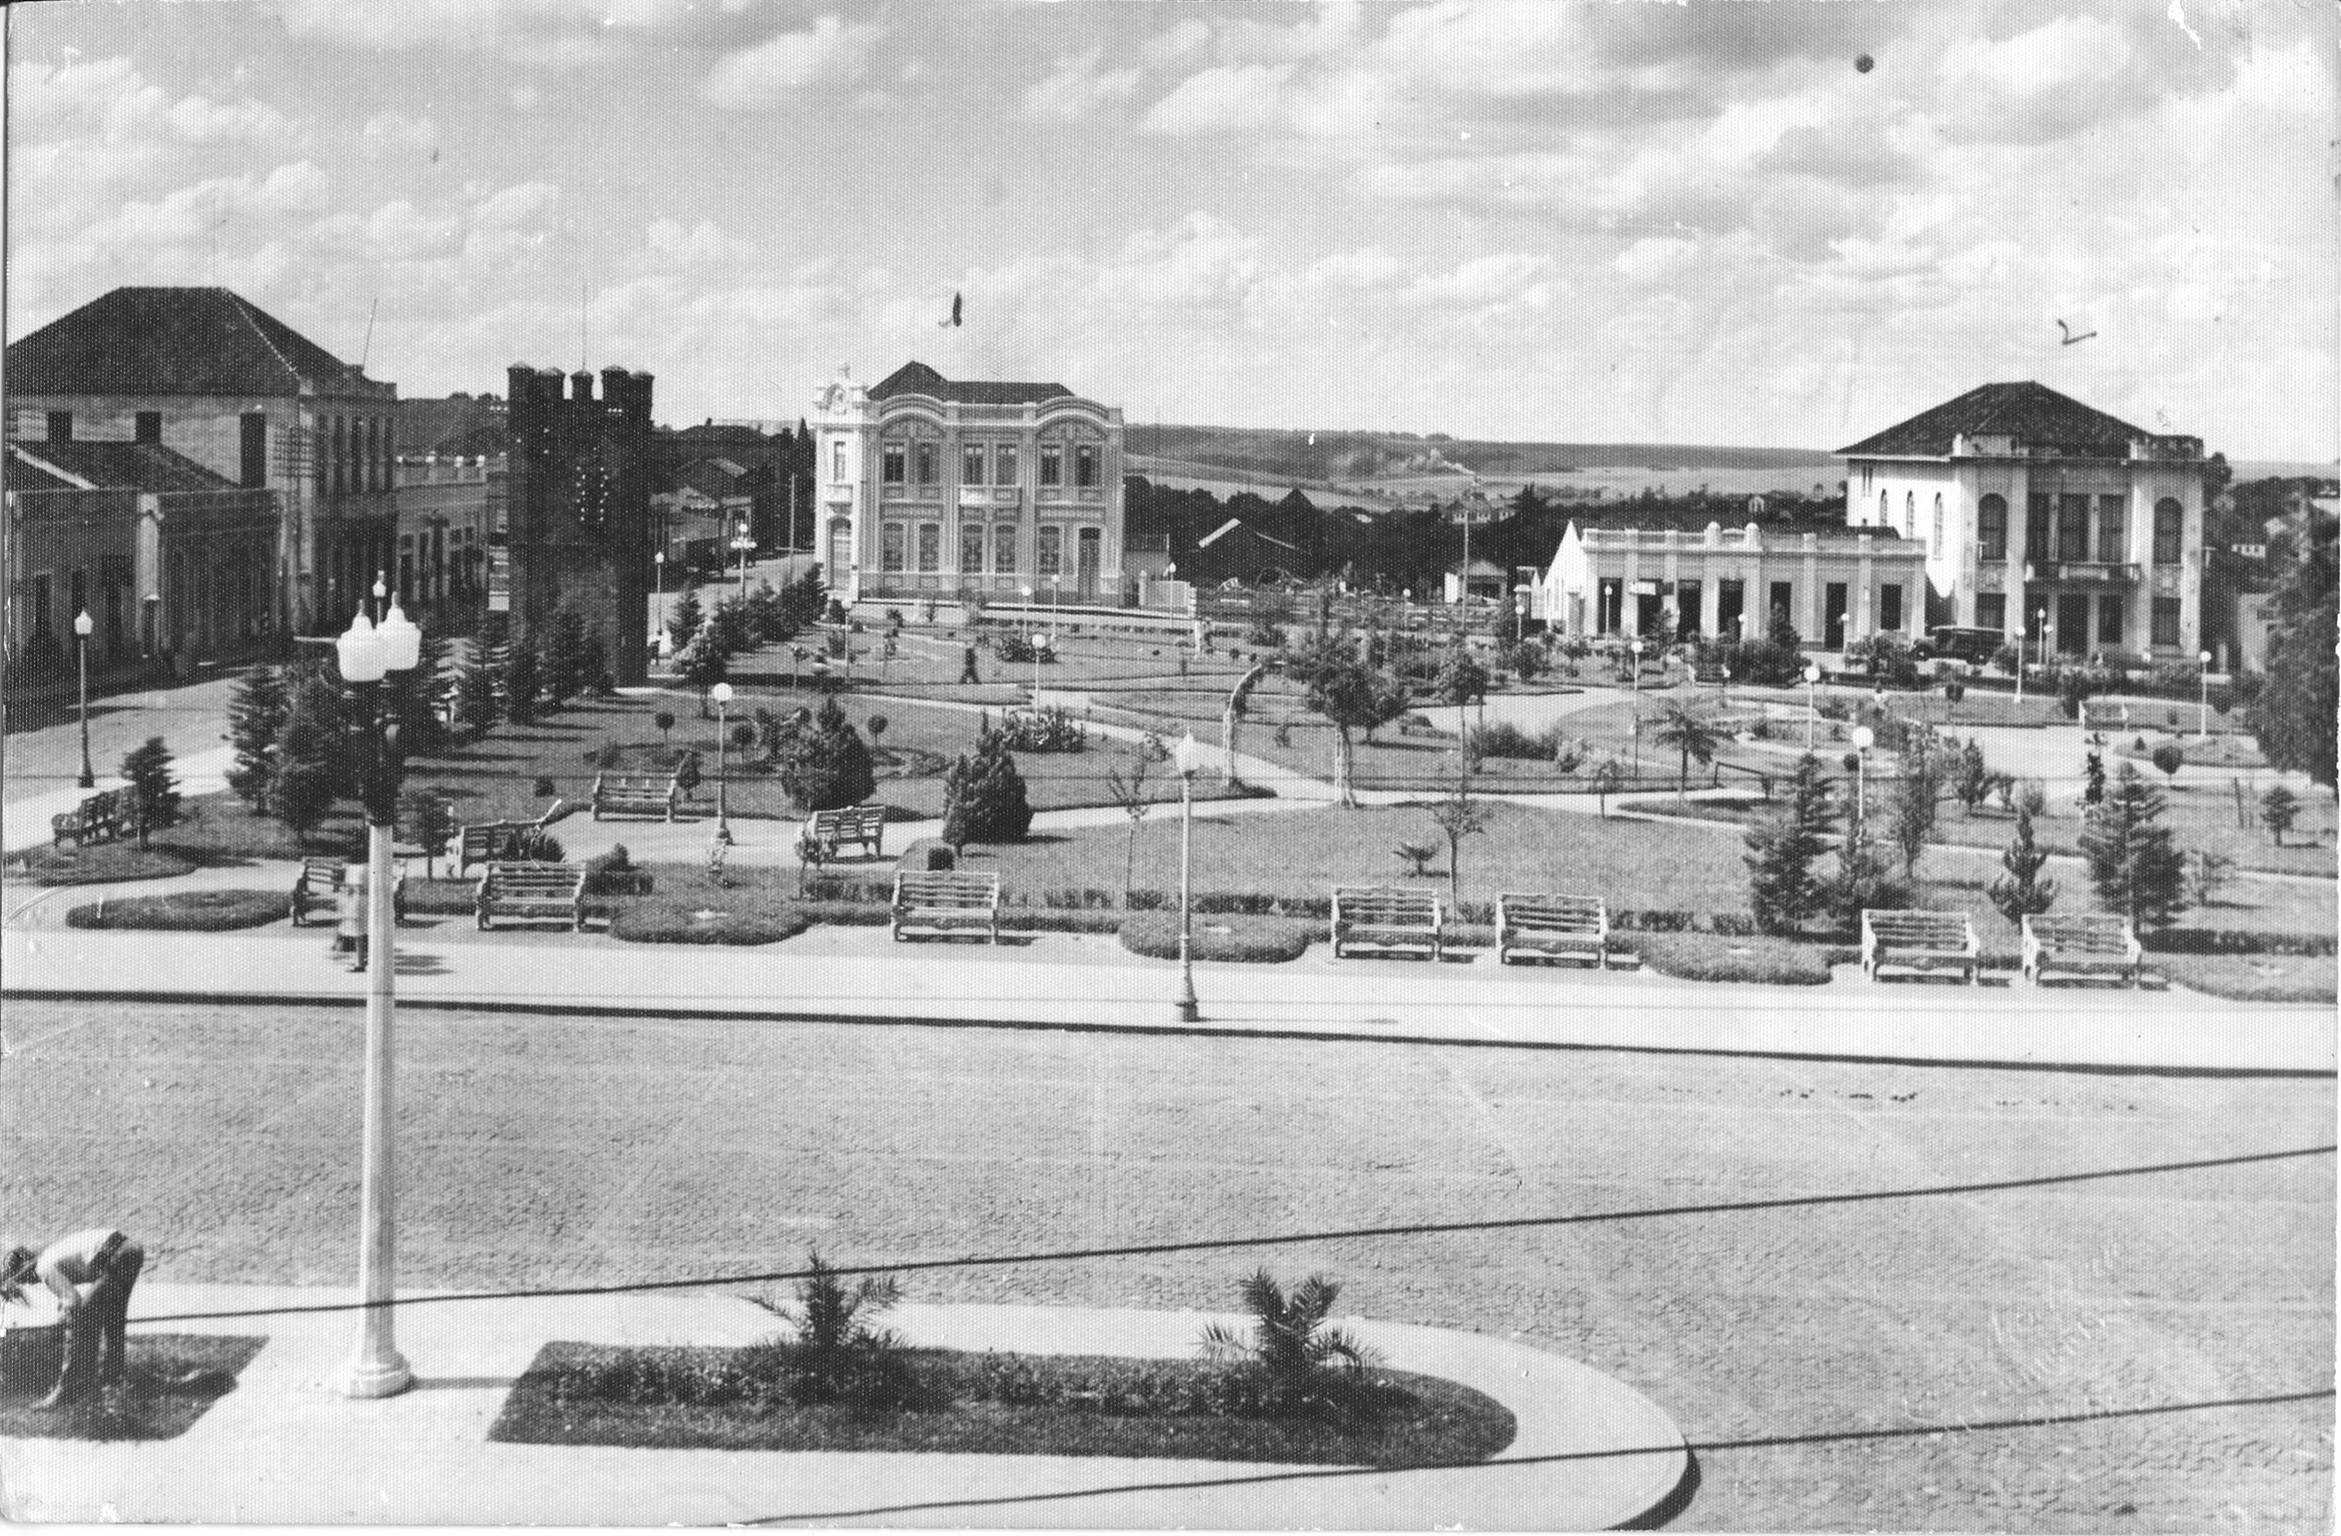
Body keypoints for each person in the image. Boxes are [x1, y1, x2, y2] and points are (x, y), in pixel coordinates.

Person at [1, 1228, 145, 1408]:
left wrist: (63, 1320)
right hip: (130, 1249)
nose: (29, 1283)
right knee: (113, 1322)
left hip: (118, 1256)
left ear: (25, 1268)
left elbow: (72, 1301)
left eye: (24, 1280)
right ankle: (114, 1381)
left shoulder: (43, 1266)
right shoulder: (51, 1253)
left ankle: (67, 1390)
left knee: (84, 1317)